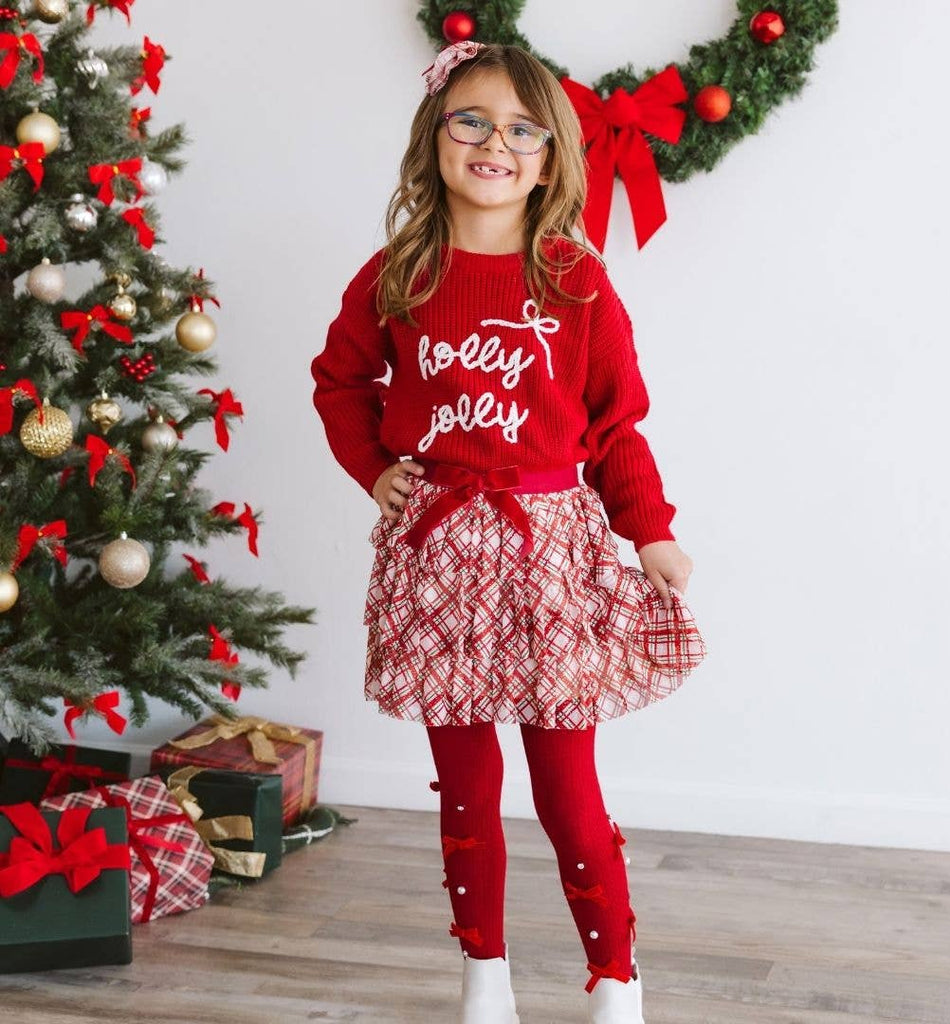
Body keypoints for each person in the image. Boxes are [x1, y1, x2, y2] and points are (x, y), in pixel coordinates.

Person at [311, 39, 706, 1024]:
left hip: (548, 556)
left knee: (566, 776)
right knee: (465, 781)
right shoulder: (399, 271)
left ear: (550, 157)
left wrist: (647, 529)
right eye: (472, 120)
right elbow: (340, 382)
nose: (495, 142)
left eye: (523, 129)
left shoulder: (573, 278)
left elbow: (614, 424)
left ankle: (614, 972)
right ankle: (482, 967)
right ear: (435, 137)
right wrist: (376, 469)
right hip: (437, 550)